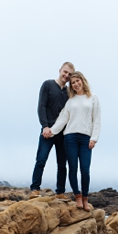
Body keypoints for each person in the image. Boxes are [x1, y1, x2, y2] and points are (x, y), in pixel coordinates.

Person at [44, 71, 100, 210]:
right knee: (73, 168)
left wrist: (94, 138)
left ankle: (85, 197)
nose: (75, 84)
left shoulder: (93, 98)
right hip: (70, 137)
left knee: (85, 170)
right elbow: (63, 119)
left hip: (86, 138)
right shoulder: (70, 101)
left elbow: (97, 120)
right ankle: (78, 196)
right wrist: (51, 131)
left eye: (77, 81)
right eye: (73, 82)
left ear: (82, 80)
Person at [30, 62, 74, 199]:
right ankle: (35, 189)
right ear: (60, 70)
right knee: (41, 160)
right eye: (65, 72)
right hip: (47, 132)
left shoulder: (69, 93)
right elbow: (41, 107)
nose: (66, 75)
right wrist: (45, 126)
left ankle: (60, 192)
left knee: (62, 164)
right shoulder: (48, 85)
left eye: (69, 74)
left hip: (63, 133)